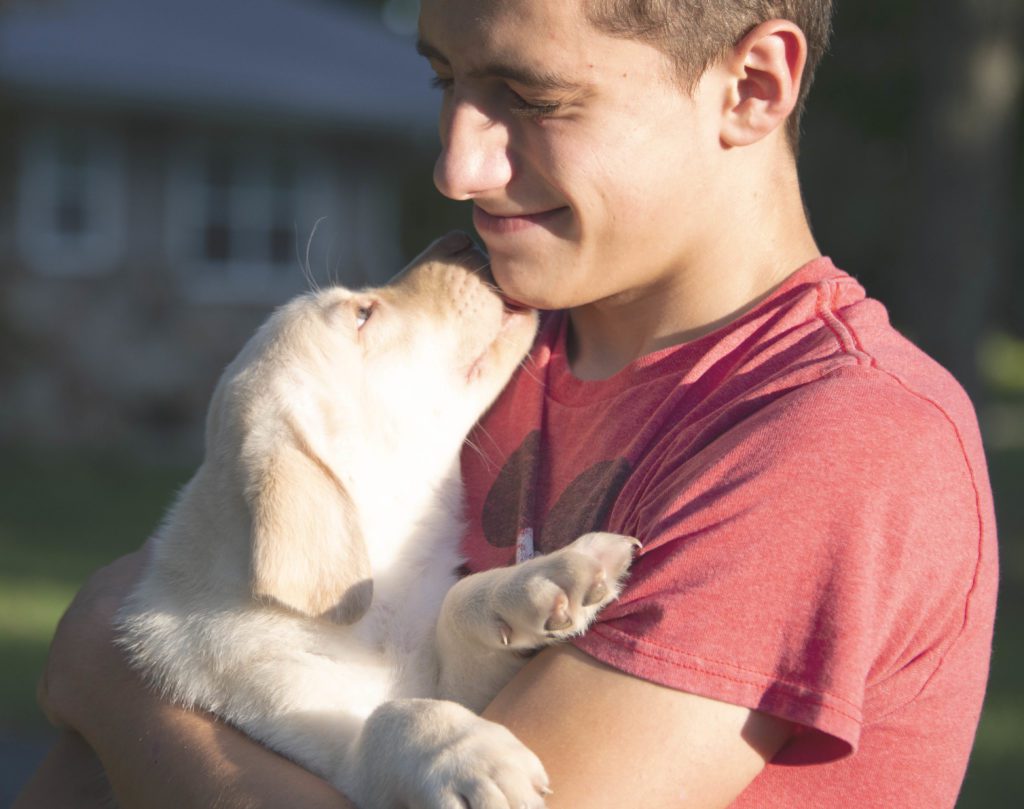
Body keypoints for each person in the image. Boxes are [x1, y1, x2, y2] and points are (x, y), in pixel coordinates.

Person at [17, 1, 997, 807]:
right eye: (445, 78)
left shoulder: (834, 442)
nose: (456, 165)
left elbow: (137, 676)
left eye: (531, 96)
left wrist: (121, 690)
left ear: (750, 86)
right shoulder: (473, 356)